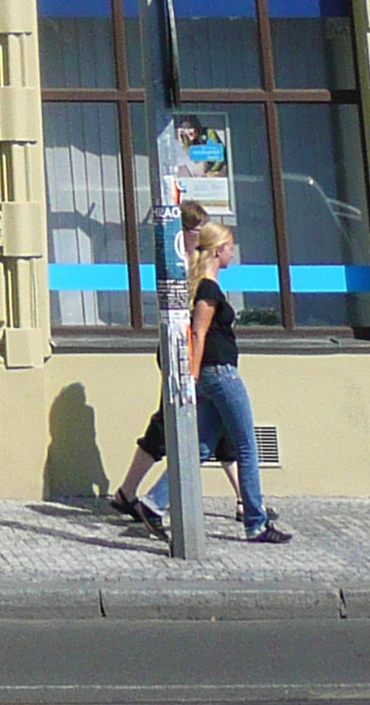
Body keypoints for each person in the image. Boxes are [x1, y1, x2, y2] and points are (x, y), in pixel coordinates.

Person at [130, 221, 292, 547]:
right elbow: (198, 334)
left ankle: (153, 503)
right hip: (219, 376)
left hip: (211, 376)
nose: (233, 252)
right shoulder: (208, 289)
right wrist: (191, 376)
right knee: (246, 446)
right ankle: (256, 523)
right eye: (230, 247)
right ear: (218, 251)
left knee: (201, 448)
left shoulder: (206, 286)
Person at [108, 201, 241, 533]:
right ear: (183, 232)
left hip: (195, 353)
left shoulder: (196, 262)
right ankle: (132, 495)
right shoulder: (180, 263)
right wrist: (191, 368)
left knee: (209, 424)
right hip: (183, 352)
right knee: (173, 423)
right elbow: (190, 319)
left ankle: (245, 500)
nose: (203, 237)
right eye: (197, 231)